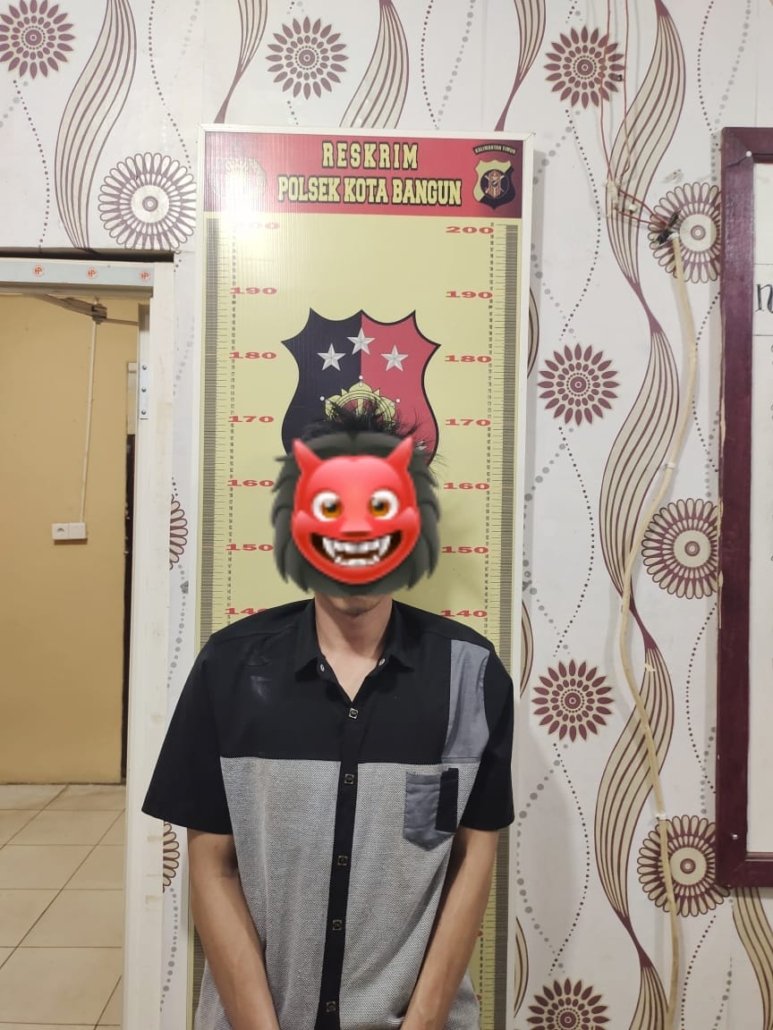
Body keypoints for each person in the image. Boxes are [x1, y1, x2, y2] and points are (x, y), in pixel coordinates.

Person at [142, 406, 515, 1030]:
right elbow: (213, 865)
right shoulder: (230, 668)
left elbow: (471, 859)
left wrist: (422, 1022)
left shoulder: (470, 675)